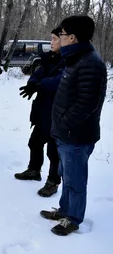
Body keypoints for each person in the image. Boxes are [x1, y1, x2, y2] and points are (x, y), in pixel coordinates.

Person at [40, 15, 107, 236]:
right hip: (65, 133)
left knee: (76, 181)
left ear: (72, 37)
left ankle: (74, 218)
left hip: (76, 135)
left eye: (61, 34)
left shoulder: (91, 63)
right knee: (67, 176)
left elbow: (87, 103)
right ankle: (64, 210)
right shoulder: (75, 59)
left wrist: (64, 123)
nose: (59, 37)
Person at [15, 27, 65, 197]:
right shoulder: (47, 58)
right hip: (41, 109)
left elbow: (59, 82)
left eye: (54, 39)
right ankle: (34, 170)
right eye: (51, 38)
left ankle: (53, 181)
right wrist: (32, 84)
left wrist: (40, 85)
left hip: (56, 111)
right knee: (35, 142)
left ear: (64, 40)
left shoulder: (68, 61)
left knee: (53, 151)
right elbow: (37, 74)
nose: (51, 42)